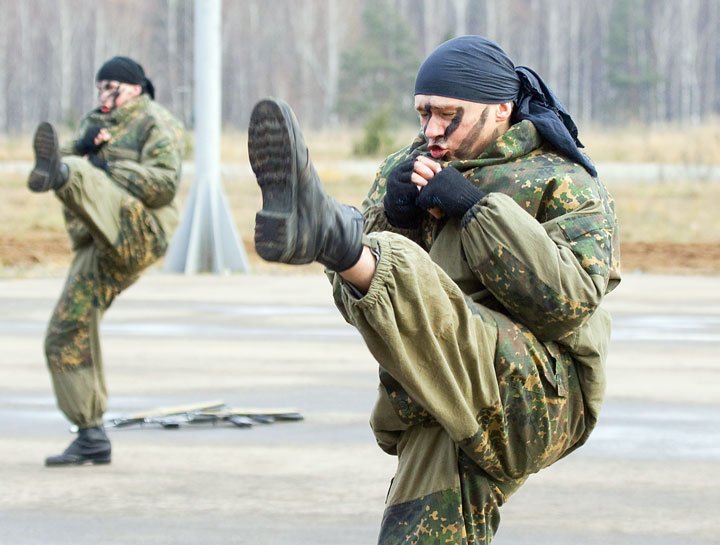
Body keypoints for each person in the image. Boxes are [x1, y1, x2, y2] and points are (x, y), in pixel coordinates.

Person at [247, 35, 620, 544]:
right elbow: (359, 307)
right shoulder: (405, 166)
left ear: (500, 110)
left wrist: (474, 210)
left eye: (449, 116)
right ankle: (341, 242)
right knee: (415, 533)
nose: (432, 131)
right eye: (423, 114)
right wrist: (394, 219)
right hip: (438, 394)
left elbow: (569, 303)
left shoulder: (563, 179)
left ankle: (340, 239)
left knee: (431, 301)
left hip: (541, 393)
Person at [27, 56, 186, 467]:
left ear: (133, 88)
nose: (103, 95)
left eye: (110, 87)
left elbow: (165, 184)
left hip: (140, 232)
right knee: (64, 332)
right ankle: (90, 433)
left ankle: (68, 174)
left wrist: (103, 164)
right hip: (100, 245)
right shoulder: (93, 124)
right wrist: (81, 148)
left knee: (76, 172)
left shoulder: (155, 122)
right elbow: (60, 160)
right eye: (99, 88)